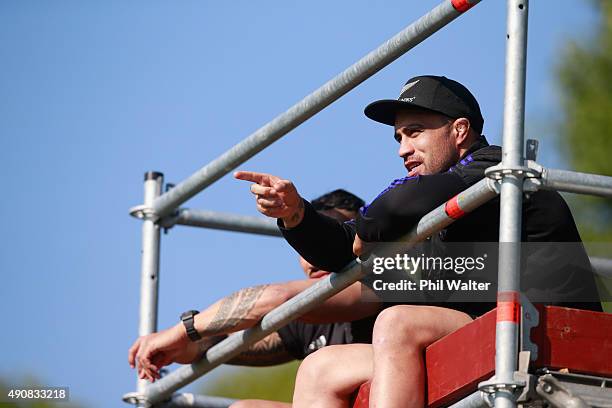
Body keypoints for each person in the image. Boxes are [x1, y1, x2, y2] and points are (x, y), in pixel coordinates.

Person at [235, 75, 602, 407]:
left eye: (415, 132)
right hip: (488, 334)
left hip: (547, 335)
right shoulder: (437, 207)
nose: (402, 150)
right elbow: (346, 251)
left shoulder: (495, 172)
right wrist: (295, 213)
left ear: (459, 131)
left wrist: (367, 229)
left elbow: (397, 204)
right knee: (321, 366)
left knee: (398, 322)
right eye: (398, 137)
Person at [127, 190, 383, 407]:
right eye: (310, 245)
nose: (314, 258)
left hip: (398, 382)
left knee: (321, 366)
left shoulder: (376, 281)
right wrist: (187, 346)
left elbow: (277, 297)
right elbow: (231, 344)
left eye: (331, 241)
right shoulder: (308, 324)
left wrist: (185, 330)